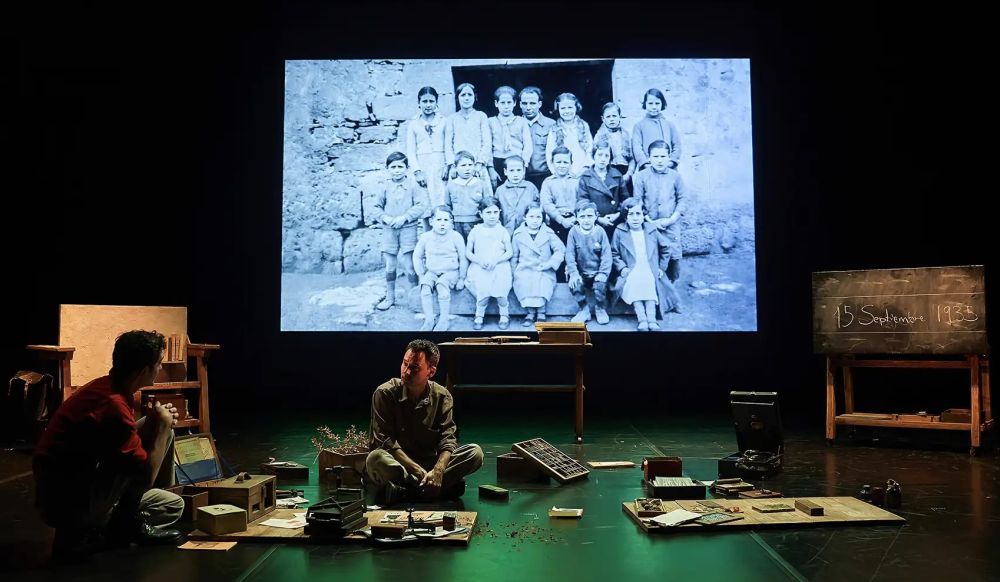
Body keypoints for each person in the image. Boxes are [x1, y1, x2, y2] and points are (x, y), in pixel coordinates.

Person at [33, 330, 184, 561]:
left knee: (173, 504)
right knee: (158, 432)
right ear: (144, 371)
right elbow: (145, 476)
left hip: (74, 490)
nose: (161, 368)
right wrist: (162, 426)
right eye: (158, 364)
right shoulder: (113, 404)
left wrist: (158, 423)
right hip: (67, 505)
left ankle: (118, 523)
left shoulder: (109, 387)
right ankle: (113, 529)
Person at [366, 340, 484, 504]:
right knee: (375, 458)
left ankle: (407, 491)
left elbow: (448, 439)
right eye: (405, 364)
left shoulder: (442, 396)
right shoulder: (385, 393)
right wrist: (420, 472)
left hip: (430, 464)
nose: (406, 372)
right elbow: (385, 441)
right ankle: (435, 489)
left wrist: (438, 471)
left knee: (475, 453)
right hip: (399, 465)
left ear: (431, 371)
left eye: (414, 368)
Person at [610, 198, 681, 330]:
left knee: (649, 281)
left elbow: (666, 248)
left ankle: (652, 319)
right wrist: (622, 267)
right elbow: (614, 253)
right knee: (634, 281)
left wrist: (661, 268)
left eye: (638, 214)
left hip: (649, 267)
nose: (635, 218)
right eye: (631, 214)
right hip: (631, 268)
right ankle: (642, 319)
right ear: (625, 217)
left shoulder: (651, 230)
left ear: (643, 215)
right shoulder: (620, 231)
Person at [370, 151, 429, 310]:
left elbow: (421, 205)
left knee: (410, 265)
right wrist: (386, 218)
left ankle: (413, 298)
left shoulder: (413, 186)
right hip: (389, 230)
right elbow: (375, 207)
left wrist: (405, 217)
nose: (397, 170)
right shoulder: (384, 187)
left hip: (408, 229)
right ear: (388, 169)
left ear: (407, 168)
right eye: (393, 167)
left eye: (400, 167)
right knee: (390, 265)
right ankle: (390, 297)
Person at [632, 139, 688, 286]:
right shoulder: (641, 176)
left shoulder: (675, 176)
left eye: (663, 156)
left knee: (673, 256)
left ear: (669, 157)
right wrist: (649, 221)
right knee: (652, 255)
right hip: (649, 225)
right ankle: (654, 290)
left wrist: (672, 219)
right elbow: (637, 201)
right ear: (649, 158)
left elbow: (682, 199)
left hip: (670, 224)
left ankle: (671, 287)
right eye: (655, 156)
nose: (659, 160)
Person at [412, 206, 469, 332]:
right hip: (432, 271)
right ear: (431, 221)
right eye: (438, 220)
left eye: (446, 220)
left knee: (442, 287)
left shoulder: (456, 236)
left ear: (451, 223)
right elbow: (417, 256)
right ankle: (429, 319)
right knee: (425, 289)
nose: (442, 223)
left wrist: (462, 278)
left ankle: (443, 320)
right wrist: (421, 275)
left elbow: (463, 258)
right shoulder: (426, 237)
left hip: (451, 272)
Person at [511, 203, 565, 327]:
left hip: (544, 269)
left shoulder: (548, 233)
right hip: (524, 269)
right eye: (531, 217)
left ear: (543, 219)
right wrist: (513, 273)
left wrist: (550, 263)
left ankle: (541, 312)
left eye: (538, 217)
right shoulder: (518, 234)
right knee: (524, 283)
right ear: (525, 217)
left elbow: (560, 249)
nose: (535, 220)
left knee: (543, 284)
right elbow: (514, 256)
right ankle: (530, 313)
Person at [465, 196, 514, 330]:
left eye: (495, 212)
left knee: (501, 292)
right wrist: (479, 261)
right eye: (488, 212)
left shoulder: (502, 231)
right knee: (482, 292)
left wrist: (496, 260)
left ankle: (504, 315)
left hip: (499, 265)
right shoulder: (475, 231)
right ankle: (479, 315)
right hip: (481, 266)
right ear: (481, 214)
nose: (492, 216)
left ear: (499, 212)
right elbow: (468, 252)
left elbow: (509, 252)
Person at [405, 86, 448, 228]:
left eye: (431, 101)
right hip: (423, 166)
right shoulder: (413, 124)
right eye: (424, 101)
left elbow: (449, 145)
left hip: (440, 164)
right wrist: (417, 171)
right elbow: (411, 151)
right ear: (419, 103)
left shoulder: (444, 121)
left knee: (441, 199)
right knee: (425, 203)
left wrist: (448, 165)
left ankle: (444, 233)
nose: (428, 105)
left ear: (436, 103)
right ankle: (428, 235)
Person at [565, 201, 612, 325]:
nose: (586, 220)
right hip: (581, 272)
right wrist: (573, 273)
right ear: (576, 218)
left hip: (597, 271)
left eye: (590, 216)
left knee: (600, 286)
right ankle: (584, 309)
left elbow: (606, 255)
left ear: (596, 216)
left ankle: (600, 308)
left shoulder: (600, 232)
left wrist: (603, 273)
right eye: (582, 217)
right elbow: (569, 254)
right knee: (574, 283)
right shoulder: (573, 232)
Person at [576, 138, 627, 241]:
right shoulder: (586, 177)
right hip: (594, 223)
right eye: (599, 155)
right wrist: (598, 218)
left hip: (615, 221)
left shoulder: (617, 175)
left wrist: (617, 214)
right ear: (593, 156)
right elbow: (583, 201)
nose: (603, 159)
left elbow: (625, 199)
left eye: (606, 156)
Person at [444, 83, 492, 182]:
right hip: (458, 168)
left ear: (475, 97)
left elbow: (487, 143)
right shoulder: (451, 119)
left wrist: (479, 164)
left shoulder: (481, 116)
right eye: (463, 95)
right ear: (457, 98)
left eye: (470, 95)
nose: (466, 98)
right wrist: (452, 166)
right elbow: (448, 145)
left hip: (477, 167)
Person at [487, 86, 533, 189]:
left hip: (517, 162)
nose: (506, 106)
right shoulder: (490, 122)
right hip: (497, 162)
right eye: (503, 103)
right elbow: (488, 146)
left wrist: (524, 165)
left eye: (509, 102)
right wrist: (491, 169)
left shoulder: (521, 121)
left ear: (515, 103)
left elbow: (527, 145)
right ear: (496, 103)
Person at [444, 150, 493, 239]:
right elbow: (447, 205)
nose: (467, 168)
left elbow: (488, 204)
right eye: (463, 165)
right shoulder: (451, 185)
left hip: (477, 222)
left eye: (470, 165)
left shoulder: (481, 184)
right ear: (455, 167)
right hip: (457, 224)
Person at [630, 88, 682, 172]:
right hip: (648, 169)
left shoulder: (669, 125)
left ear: (662, 104)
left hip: (668, 168)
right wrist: (645, 164)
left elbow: (677, 145)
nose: (654, 107)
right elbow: (637, 148)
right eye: (650, 103)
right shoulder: (639, 126)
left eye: (657, 103)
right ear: (645, 104)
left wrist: (671, 162)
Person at [545, 92, 593, 177]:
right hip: (563, 174)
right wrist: (557, 173)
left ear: (576, 108)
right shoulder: (554, 129)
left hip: (583, 172)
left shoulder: (583, 126)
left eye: (570, 107)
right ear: (558, 109)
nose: (567, 111)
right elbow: (549, 153)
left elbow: (590, 149)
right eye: (563, 108)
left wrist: (584, 169)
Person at [519, 86, 555, 191]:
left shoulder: (551, 125)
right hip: (520, 176)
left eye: (532, 103)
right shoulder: (514, 124)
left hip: (545, 176)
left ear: (539, 104)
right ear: (520, 104)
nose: (528, 107)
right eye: (524, 103)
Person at [592, 102, 635, 188]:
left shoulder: (627, 135)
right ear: (603, 119)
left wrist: (629, 174)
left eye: (614, 116)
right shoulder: (599, 136)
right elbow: (596, 158)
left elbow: (632, 158)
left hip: (624, 172)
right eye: (608, 117)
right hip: (607, 171)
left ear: (620, 117)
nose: (612, 119)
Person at [494, 155, 539, 234]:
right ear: (505, 171)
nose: (515, 174)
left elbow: (539, 208)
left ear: (524, 171)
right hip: (506, 231)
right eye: (512, 170)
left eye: (519, 170)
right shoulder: (500, 191)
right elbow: (496, 212)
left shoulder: (531, 188)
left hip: (528, 231)